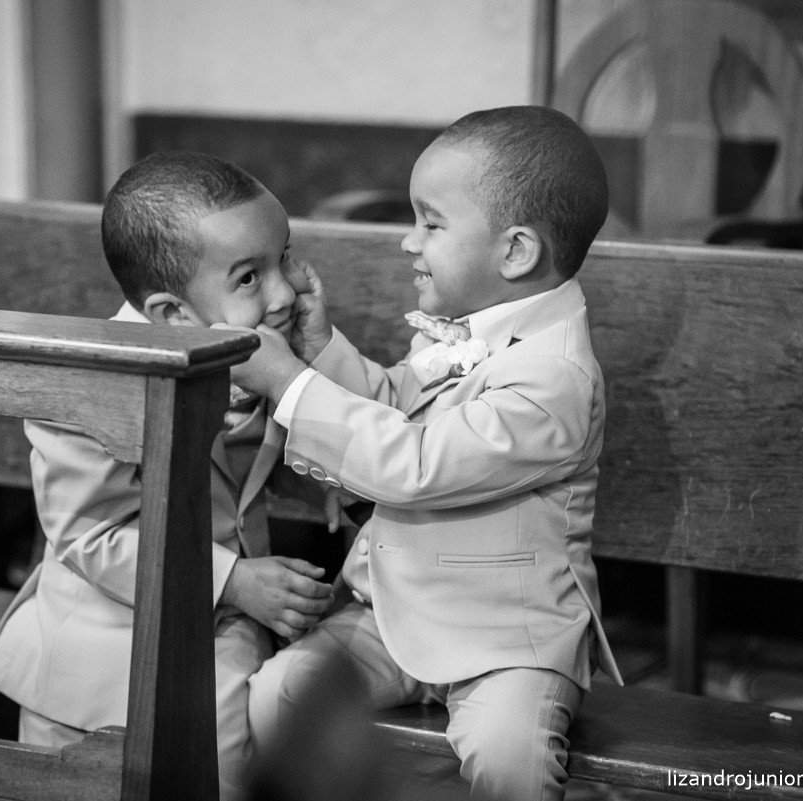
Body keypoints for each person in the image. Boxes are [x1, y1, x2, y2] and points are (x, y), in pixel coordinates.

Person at [227, 106, 624, 800]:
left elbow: (415, 464)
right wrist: (320, 351)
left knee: (512, 762)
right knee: (275, 697)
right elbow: (394, 412)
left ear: (516, 252)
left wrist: (288, 382)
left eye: (431, 224)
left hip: (507, 645)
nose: (410, 243)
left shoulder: (556, 377)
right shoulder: (460, 331)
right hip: (389, 616)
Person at [0, 151, 335, 801]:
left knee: (233, 755)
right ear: (172, 315)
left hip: (222, 629)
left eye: (284, 258)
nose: (285, 292)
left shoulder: (261, 354)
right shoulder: (84, 386)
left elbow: (312, 463)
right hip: (106, 645)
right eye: (251, 278)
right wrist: (236, 580)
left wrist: (314, 364)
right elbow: (90, 536)